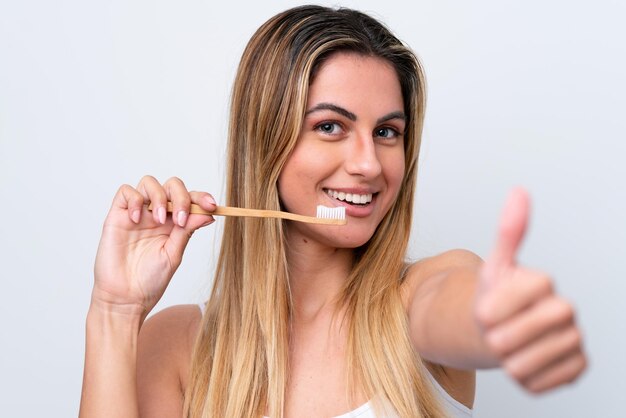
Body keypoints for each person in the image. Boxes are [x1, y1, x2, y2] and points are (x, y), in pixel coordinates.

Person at [79, 5, 586, 418]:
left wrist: (497, 315)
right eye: (330, 126)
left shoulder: (417, 303)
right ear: (265, 141)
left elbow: (456, 309)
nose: (369, 164)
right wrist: (115, 311)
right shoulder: (176, 347)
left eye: (387, 132)